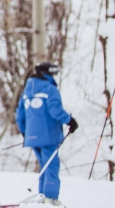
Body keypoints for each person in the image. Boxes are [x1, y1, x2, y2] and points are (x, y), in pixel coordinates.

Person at [16, 62, 78, 206]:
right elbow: (55, 110)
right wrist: (70, 121)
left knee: (44, 167)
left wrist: (25, 132)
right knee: (51, 167)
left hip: (32, 137)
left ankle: (42, 198)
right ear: (47, 73)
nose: (54, 76)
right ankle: (50, 199)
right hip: (48, 135)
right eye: (53, 73)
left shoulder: (26, 90)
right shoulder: (50, 89)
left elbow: (20, 115)